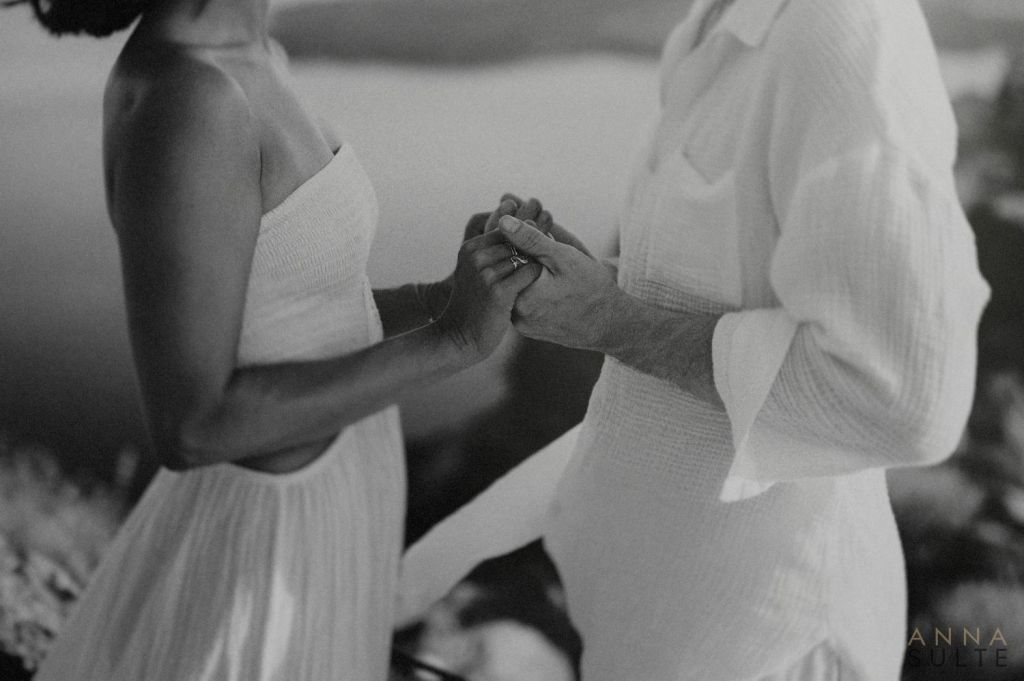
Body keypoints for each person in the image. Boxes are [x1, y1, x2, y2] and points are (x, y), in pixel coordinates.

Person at [399, 0, 991, 679]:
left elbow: (901, 394)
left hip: (761, 644)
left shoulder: (845, 29)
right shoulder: (711, 24)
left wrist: (609, 320)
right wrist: (596, 287)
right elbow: (736, 291)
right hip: (656, 631)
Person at [10, 0, 552, 677]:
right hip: (259, 559)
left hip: (325, 524)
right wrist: (451, 342)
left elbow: (302, 318)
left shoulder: (254, 55)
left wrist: (445, 298)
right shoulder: (190, 98)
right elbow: (196, 424)